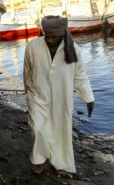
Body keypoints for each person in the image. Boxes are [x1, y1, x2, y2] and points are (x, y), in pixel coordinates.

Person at [23, 15, 95, 176]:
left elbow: (80, 76)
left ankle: (61, 161)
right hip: (37, 94)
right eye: (46, 36)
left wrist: (88, 97)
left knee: (60, 130)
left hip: (62, 98)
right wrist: (27, 89)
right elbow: (27, 70)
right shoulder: (32, 46)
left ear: (62, 34)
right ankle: (39, 159)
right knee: (37, 128)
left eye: (53, 37)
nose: (49, 40)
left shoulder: (73, 50)